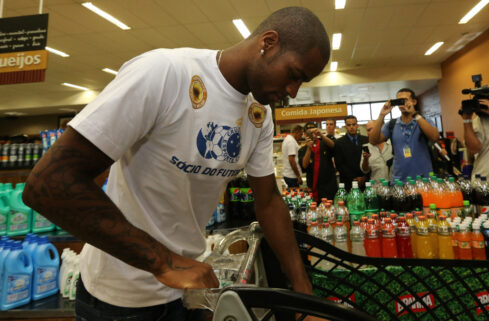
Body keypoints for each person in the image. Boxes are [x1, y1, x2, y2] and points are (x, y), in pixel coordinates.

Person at [22, 7, 330, 320]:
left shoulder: (260, 116)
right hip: (119, 298)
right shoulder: (164, 73)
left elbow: (268, 201)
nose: (293, 91)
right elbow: (49, 184)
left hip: (187, 290)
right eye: (294, 75)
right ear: (269, 42)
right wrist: (162, 262)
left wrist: (304, 292)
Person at [368, 88, 440, 182]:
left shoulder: (423, 120)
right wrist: (382, 115)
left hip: (424, 179)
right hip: (400, 180)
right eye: (399, 101)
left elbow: (435, 137)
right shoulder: (392, 124)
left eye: (405, 100)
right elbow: (373, 140)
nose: (402, 104)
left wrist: (415, 114)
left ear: (414, 101)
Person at [298, 122, 337, 201]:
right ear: (305, 134)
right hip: (313, 187)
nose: (313, 135)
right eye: (309, 133)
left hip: (329, 185)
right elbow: (304, 165)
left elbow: (333, 146)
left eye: (314, 132)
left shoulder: (325, 143)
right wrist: (309, 148)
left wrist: (321, 135)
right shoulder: (303, 149)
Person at [334, 115, 369, 190]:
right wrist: (354, 179)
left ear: (357, 125)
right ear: (345, 127)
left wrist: (364, 177)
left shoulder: (366, 140)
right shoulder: (339, 143)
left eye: (353, 124)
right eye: (349, 125)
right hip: (348, 183)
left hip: (365, 181)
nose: (351, 127)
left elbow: (371, 160)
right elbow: (339, 164)